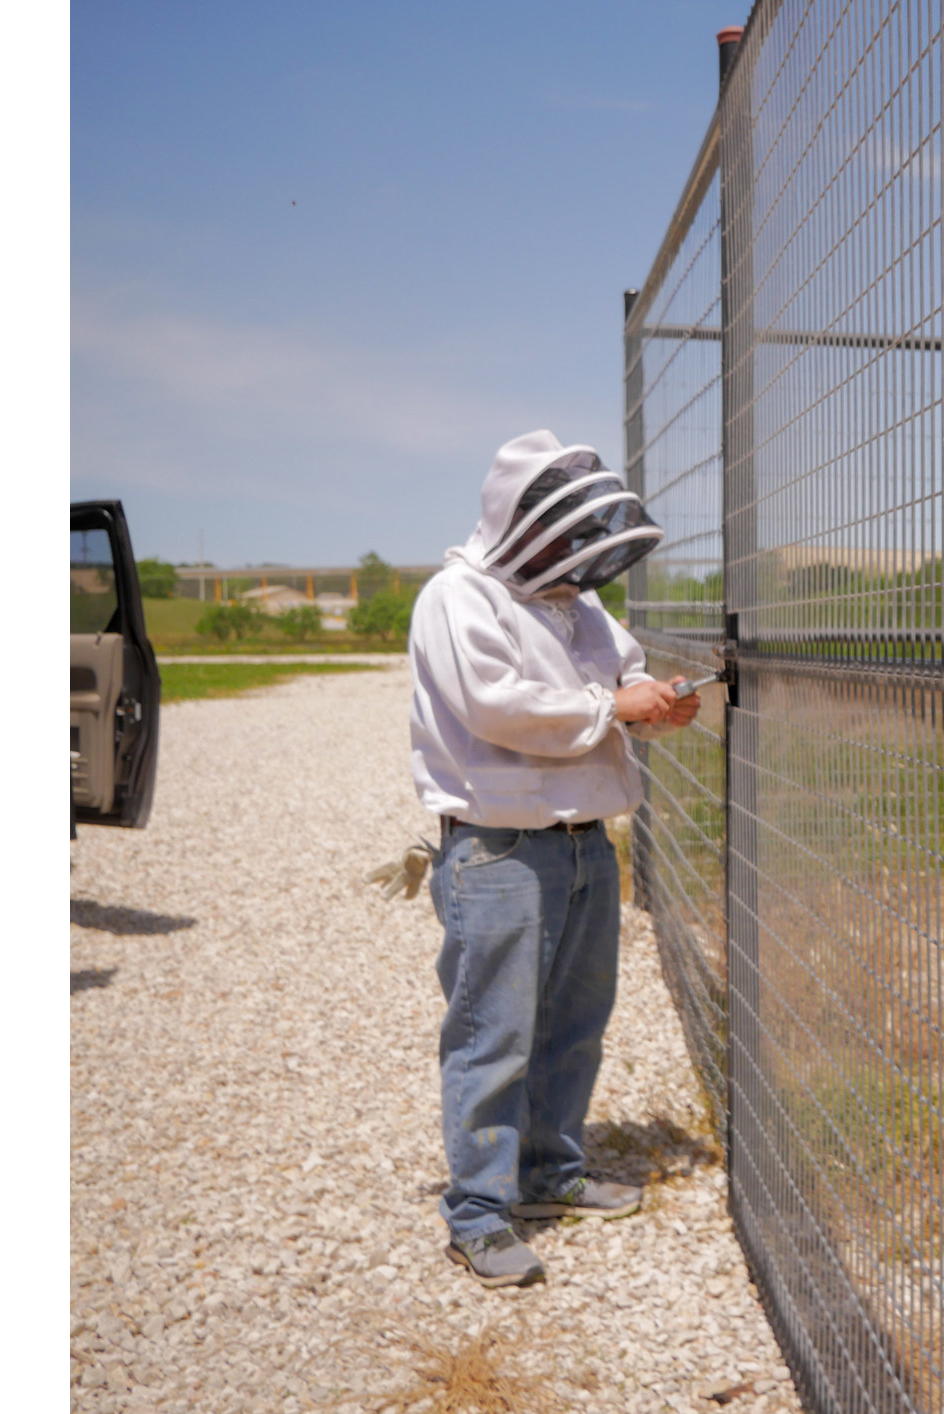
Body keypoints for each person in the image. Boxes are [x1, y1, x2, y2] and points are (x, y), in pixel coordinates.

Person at [406, 430, 701, 1287]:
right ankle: (479, 1214)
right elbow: (501, 708)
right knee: (491, 1034)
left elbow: (622, 677)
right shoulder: (457, 598)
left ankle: (547, 1174)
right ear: (524, 526)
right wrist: (615, 706)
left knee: (574, 1024)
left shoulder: (574, 604)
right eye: (566, 541)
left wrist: (652, 708)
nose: (577, 561)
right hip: (497, 852)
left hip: (584, 844)